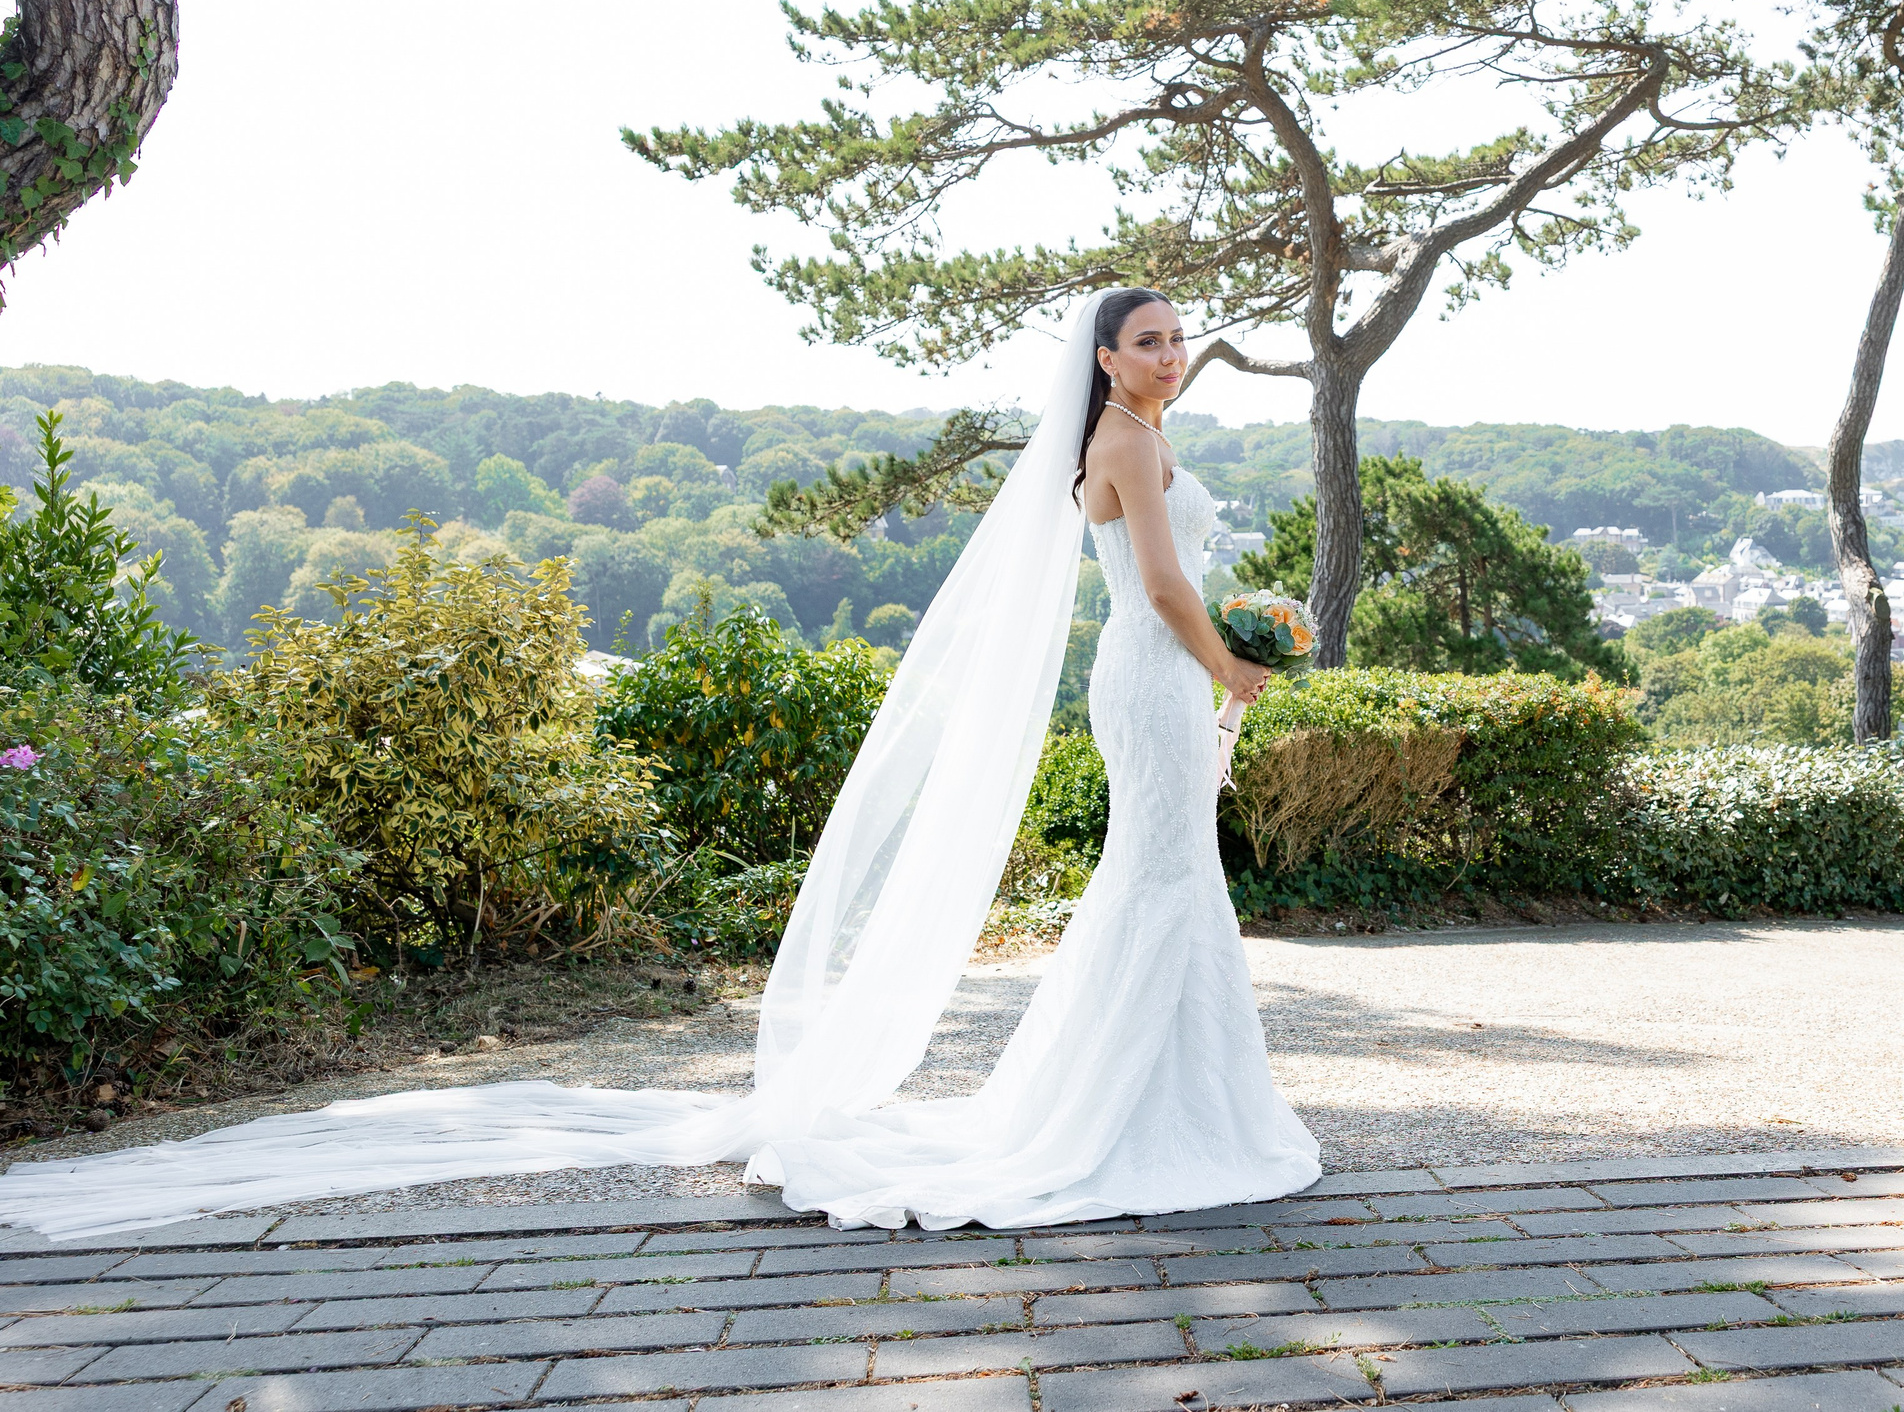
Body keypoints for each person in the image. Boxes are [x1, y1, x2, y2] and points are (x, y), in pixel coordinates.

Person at [0, 289, 1319, 1239]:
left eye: (1178, 337)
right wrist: (1231, 664)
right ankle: (1137, 1114)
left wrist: (1231, 634)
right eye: (1149, 338)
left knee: (1156, 885)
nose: (1172, 352)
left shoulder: (1137, 440)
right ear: (1104, 356)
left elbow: (1171, 576)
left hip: (1156, 679)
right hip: (1156, 679)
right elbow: (1154, 584)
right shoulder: (1130, 442)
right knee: (1161, 885)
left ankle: (1154, 1096)